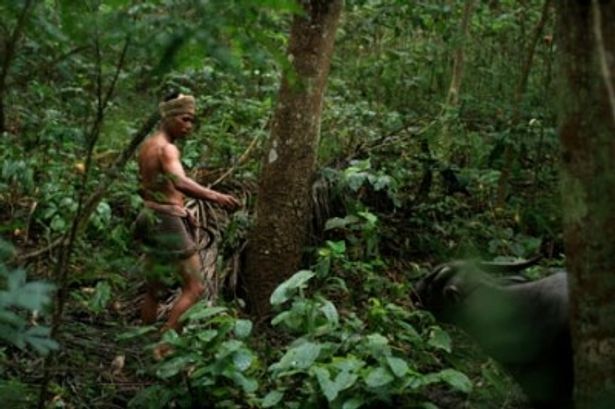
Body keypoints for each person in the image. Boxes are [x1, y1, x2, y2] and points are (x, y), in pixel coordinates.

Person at [134, 92, 239, 338]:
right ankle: (165, 344)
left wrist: (181, 210)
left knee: (154, 289)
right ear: (168, 117)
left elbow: (154, 186)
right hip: (166, 221)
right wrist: (216, 197)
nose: (189, 126)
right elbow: (179, 182)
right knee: (195, 287)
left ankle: (143, 340)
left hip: (151, 216)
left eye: (192, 120)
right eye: (184, 119)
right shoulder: (167, 149)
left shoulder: (148, 145)